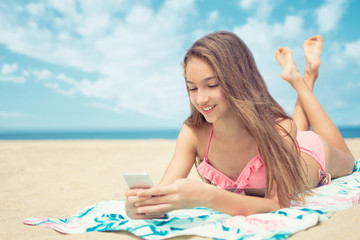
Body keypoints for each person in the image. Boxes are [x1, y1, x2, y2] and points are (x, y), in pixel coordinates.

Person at [124, 31, 355, 219]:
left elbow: (276, 204)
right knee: (295, 127)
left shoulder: (279, 128)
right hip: (285, 142)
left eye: (212, 85)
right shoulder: (193, 133)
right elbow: (163, 194)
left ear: (238, 80)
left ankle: (303, 79)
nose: (201, 98)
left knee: (348, 160)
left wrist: (207, 196)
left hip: (312, 154)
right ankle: (301, 76)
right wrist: (142, 207)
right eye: (192, 88)